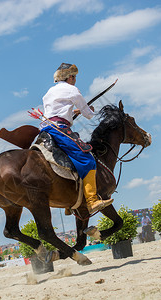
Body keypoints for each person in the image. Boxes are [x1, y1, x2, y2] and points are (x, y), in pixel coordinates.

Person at [40, 63, 113, 214]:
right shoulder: (72, 89)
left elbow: (57, 109)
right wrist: (89, 111)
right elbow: (88, 114)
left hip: (46, 128)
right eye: (75, 77)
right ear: (70, 77)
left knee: (67, 160)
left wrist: (75, 111)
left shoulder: (50, 91)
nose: (75, 80)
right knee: (87, 159)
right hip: (60, 129)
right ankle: (92, 201)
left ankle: (69, 203)